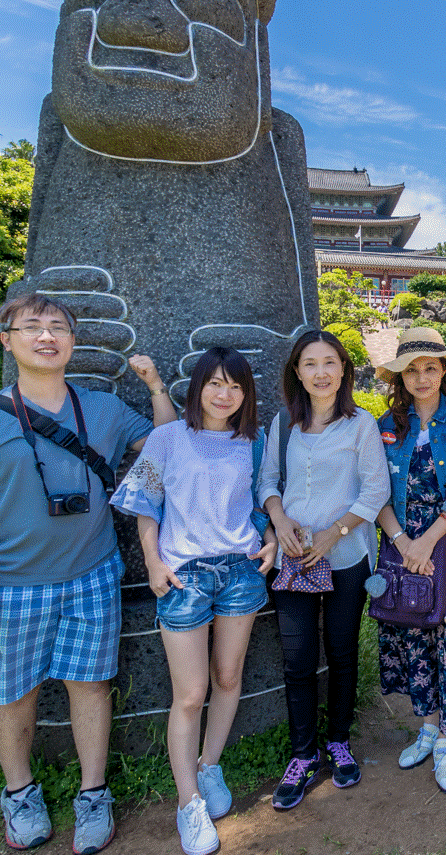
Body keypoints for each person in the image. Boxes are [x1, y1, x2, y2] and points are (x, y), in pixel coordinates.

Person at [0, 293, 176, 853]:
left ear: (72, 339)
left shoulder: (105, 410)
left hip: (92, 574)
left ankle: (93, 794)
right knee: (14, 693)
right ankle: (19, 791)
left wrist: (158, 389)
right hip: (10, 583)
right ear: (7, 339)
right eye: (32, 327)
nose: (46, 336)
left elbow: (167, 446)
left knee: (90, 685)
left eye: (57, 328)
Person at [110, 348, 277, 855]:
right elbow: (144, 504)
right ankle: (188, 804)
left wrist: (269, 537)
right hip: (183, 577)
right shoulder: (167, 438)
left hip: (240, 572)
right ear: (198, 386)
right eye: (215, 384)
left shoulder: (254, 441)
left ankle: (209, 766)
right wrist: (154, 564)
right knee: (189, 693)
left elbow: (262, 498)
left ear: (246, 394)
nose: (224, 395)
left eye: (235, 386)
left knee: (229, 677)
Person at [259, 331, 390, 808]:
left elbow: (376, 490)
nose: (320, 373)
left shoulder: (361, 425)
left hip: (346, 558)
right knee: (297, 661)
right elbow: (267, 481)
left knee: (342, 653)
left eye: (329, 363)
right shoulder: (283, 424)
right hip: (293, 559)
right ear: (297, 371)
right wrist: (279, 518)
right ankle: (303, 755)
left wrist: (334, 532)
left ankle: (338, 741)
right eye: (310, 364)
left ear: (344, 370)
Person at [374, 329, 446, 794]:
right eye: (412, 370)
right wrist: (404, 543)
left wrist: (428, 542)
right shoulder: (384, 425)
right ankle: (426, 725)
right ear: (400, 377)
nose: (422, 377)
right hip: (401, 543)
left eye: (431, 367)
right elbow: (374, 489)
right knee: (413, 630)